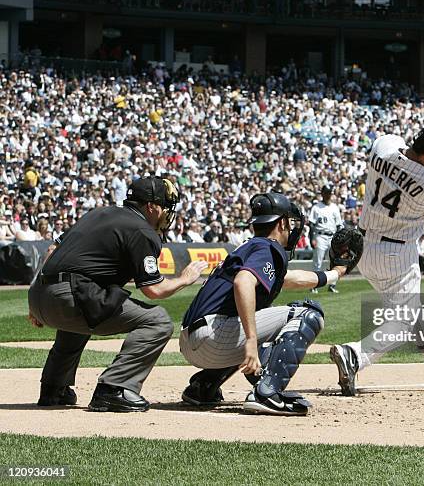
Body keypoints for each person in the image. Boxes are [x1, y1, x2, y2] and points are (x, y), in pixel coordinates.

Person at [28, 177, 208, 412]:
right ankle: (114, 388)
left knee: (87, 310)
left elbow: (52, 250)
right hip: (68, 296)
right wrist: (185, 279)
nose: (167, 213)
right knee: (158, 321)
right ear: (151, 206)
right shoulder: (143, 230)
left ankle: (54, 389)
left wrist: (35, 302)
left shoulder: (98, 213)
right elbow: (153, 290)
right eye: (165, 206)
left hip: (40, 294)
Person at [329, 124, 424, 395]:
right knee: (403, 321)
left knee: (413, 311)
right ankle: (355, 355)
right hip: (396, 256)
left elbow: (412, 159)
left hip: (363, 247)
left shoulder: (384, 147)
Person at [179, 192, 348, 416]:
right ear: (282, 223)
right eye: (290, 222)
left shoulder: (250, 247)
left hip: (191, 340)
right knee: (308, 313)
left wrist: (334, 274)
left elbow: (289, 279)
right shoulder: (268, 247)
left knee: (253, 317)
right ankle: (267, 393)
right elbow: (243, 281)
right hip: (214, 335)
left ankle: (203, 387)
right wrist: (250, 340)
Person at [308, 185, 343, 294]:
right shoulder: (316, 207)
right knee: (317, 263)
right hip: (320, 236)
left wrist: (339, 240)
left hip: (332, 237)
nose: (328, 195)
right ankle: (314, 285)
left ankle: (332, 285)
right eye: (326, 192)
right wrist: (312, 238)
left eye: (330, 193)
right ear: (322, 193)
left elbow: (339, 226)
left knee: (333, 262)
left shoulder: (334, 207)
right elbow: (311, 224)